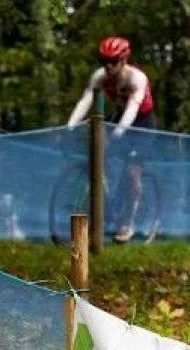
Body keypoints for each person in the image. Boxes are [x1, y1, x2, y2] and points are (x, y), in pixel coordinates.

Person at [67, 36, 154, 243]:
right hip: (121, 116)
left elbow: (132, 111)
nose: (108, 65)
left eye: (113, 61)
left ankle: (129, 224)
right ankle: (105, 210)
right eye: (103, 60)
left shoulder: (137, 79)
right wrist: (69, 126)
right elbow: (86, 100)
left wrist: (114, 136)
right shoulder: (101, 76)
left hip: (142, 121)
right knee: (100, 160)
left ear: (124, 61)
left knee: (133, 172)